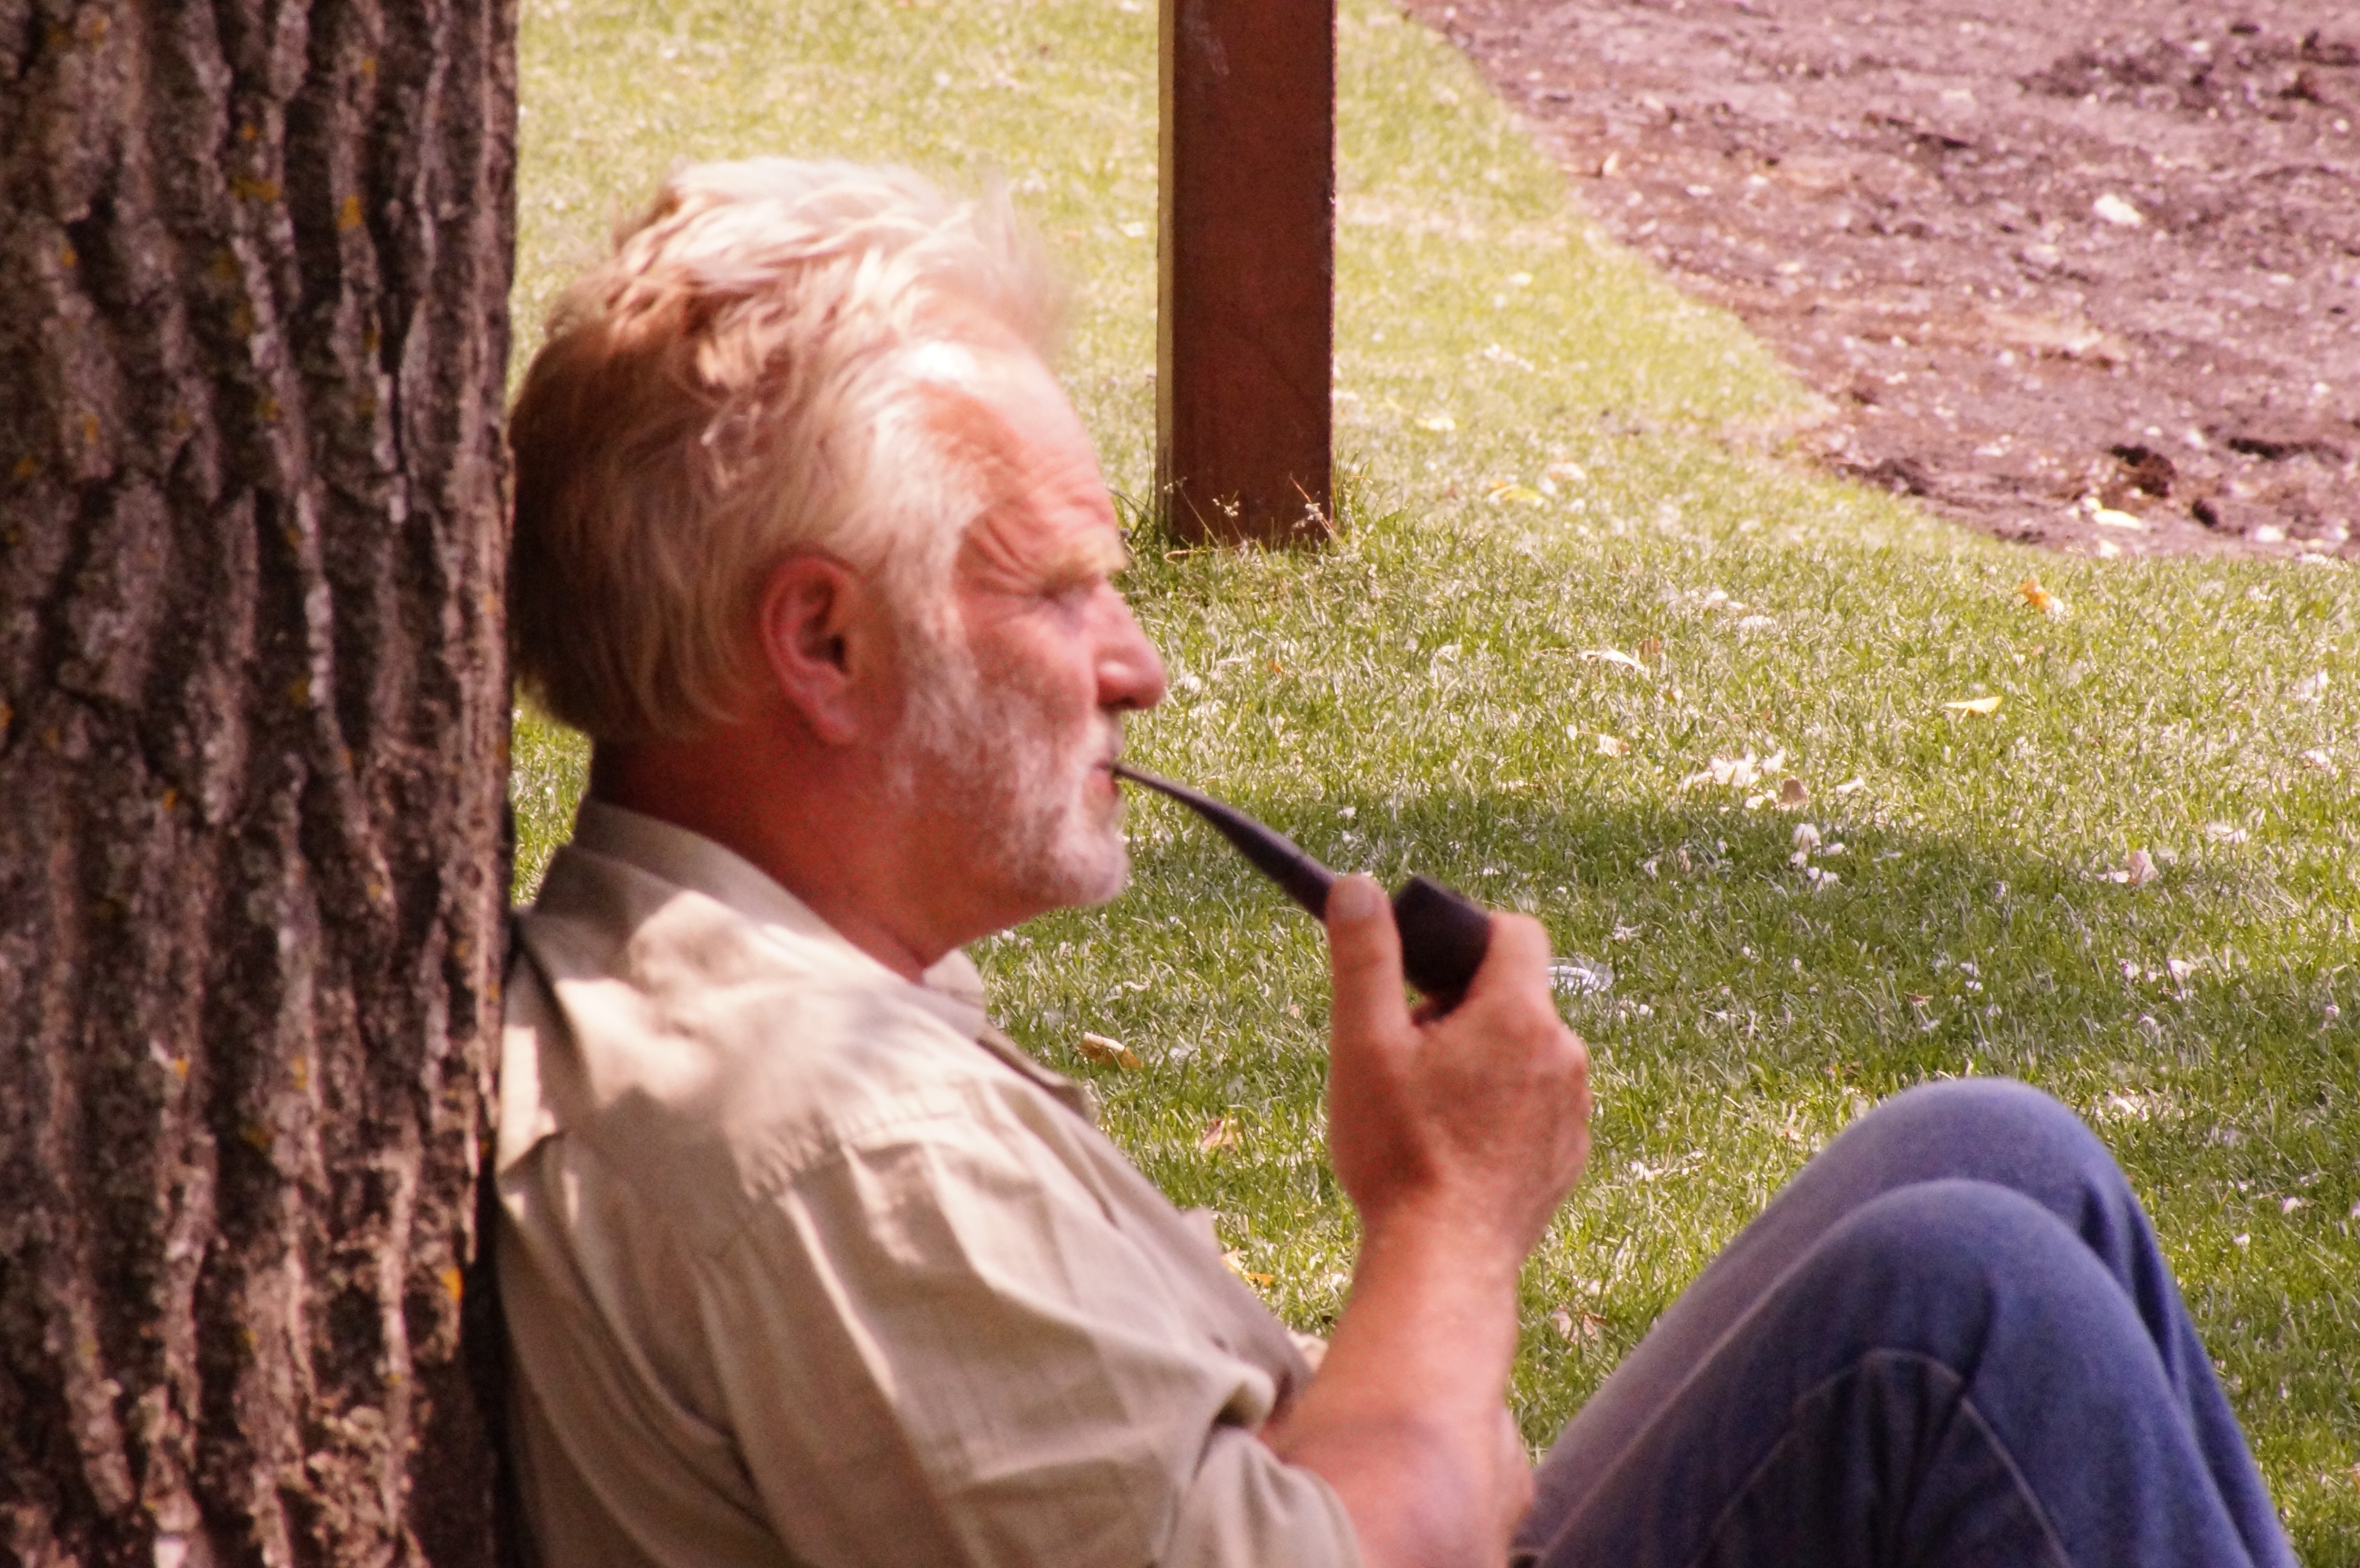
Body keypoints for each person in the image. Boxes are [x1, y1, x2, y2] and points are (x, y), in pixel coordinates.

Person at [494, 158, 2296, 1568]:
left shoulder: (757, 988)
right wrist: (1453, 1215)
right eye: (1056, 591)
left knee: (1992, 1151)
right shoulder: (828, 1140)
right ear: (823, 644)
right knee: (1959, 1313)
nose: (1139, 665)